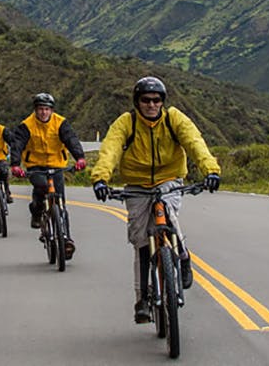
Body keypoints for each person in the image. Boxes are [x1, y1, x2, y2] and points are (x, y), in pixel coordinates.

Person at [90, 76, 221, 323]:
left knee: (170, 215)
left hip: (169, 178)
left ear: (163, 102)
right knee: (140, 241)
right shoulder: (126, 123)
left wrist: (211, 170)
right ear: (137, 102)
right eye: (146, 100)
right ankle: (141, 299)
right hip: (137, 185)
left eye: (156, 100)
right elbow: (111, 149)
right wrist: (101, 178)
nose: (151, 105)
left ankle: (182, 254)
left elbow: (195, 143)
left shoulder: (174, 119)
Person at [10, 93, 86, 259]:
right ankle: (36, 211)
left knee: (60, 203)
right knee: (41, 186)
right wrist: (15, 165)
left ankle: (66, 238)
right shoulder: (26, 125)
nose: (43, 113)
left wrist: (79, 158)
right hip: (35, 165)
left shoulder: (60, 123)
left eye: (46, 109)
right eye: (40, 109)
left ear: (51, 110)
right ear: (35, 110)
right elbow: (17, 144)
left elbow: (71, 140)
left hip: (57, 165)